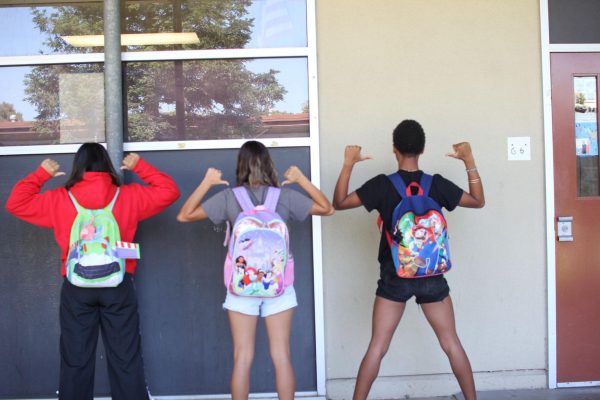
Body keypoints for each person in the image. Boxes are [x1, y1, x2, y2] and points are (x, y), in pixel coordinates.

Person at [5, 143, 180, 400]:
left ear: (77, 166)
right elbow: (170, 191)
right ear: (107, 165)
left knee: (76, 359)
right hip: (119, 283)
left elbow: (15, 203)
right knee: (126, 358)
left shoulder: (60, 198)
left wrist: (40, 174)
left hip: (77, 286)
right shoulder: (128, 196)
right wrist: (140, 166)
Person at [332, 120, 485, 400]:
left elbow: (339, 202)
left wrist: (348, 163)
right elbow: (478, 200)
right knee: (451, 343)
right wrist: (469, 161)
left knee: (377, 347)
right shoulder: (435, 184)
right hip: (431, 274)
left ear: (394, 149)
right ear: (423, 150)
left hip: (395, 277)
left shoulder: (382, 185)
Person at [177, 140, 334, 400]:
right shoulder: (284, 196)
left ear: (240, 166)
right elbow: (327, 208)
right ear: (270, 164)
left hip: (240, 287)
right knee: (282, 356)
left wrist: (206, 182)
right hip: (279, 285)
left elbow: (184, 215)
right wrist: (300, 179)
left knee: (242, 357)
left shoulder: (229, 197)